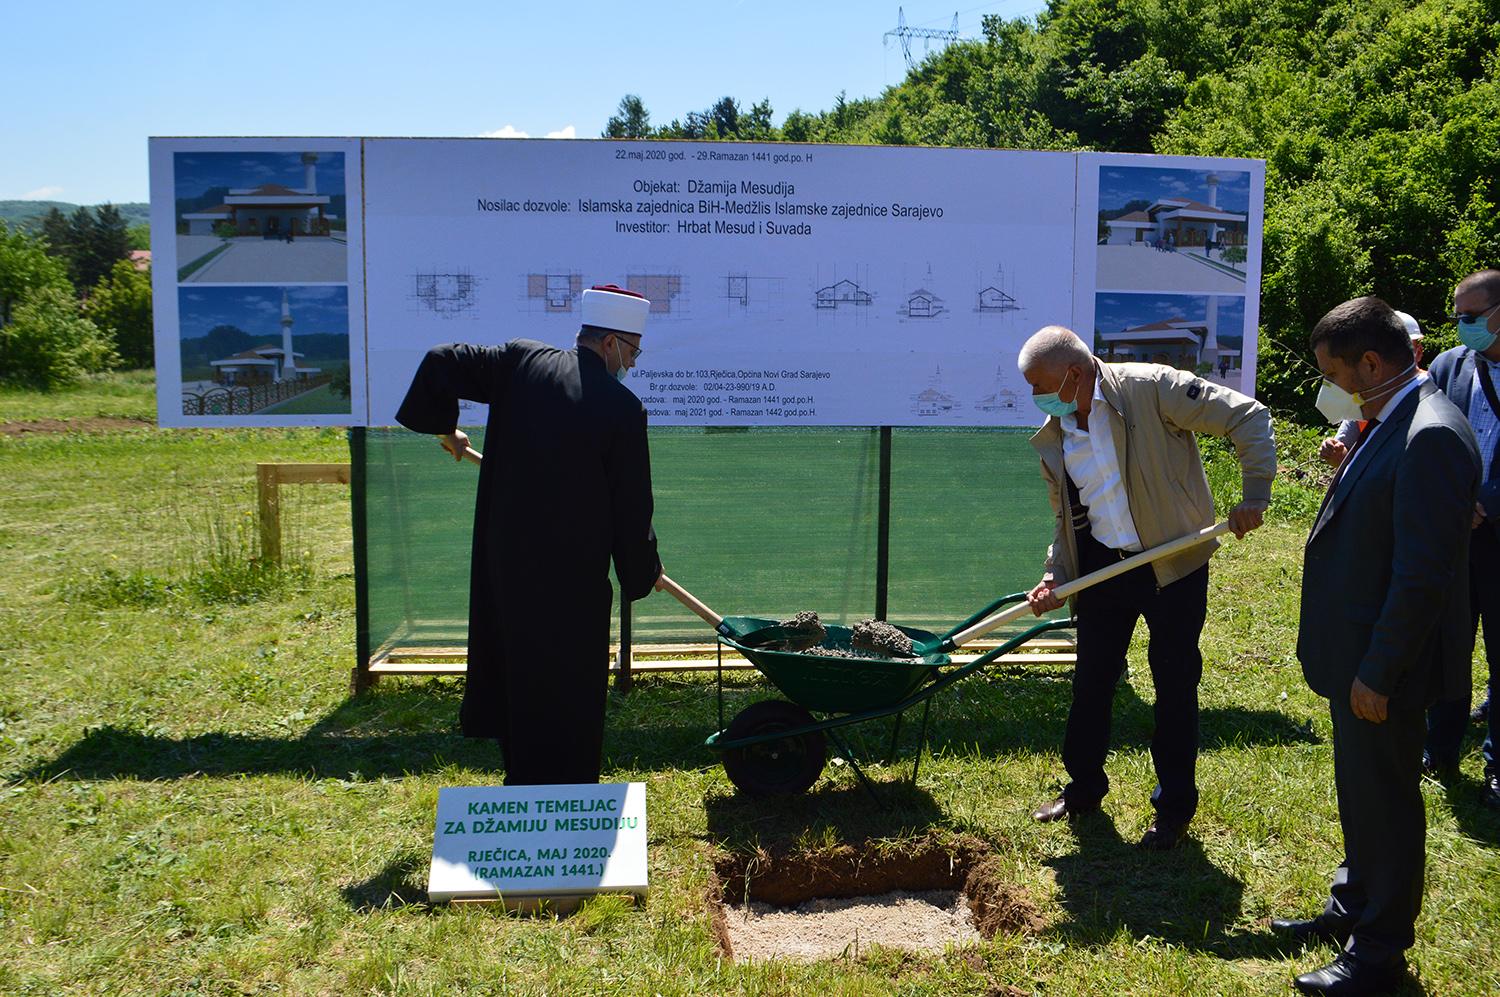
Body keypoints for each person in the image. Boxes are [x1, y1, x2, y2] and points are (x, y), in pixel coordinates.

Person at [1273, 297, 1478, 996]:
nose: (1336, 388)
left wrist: (1378, 672)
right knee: (1360, 792)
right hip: (1354, 655)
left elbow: (1422, 576)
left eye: (1340, 373)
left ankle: (1379, 949)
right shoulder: (1386, 420)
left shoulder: (1431, 435)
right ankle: (1353, 903)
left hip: (1384, 667)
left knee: (1387, 803)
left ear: (1372, 362)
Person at [395, 284, 665, 785]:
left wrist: (443, 426)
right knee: (566, 687)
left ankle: (521, 780)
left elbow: (439, 360)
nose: (630, 364)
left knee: (515, 668)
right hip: (570, 580)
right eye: (632, 352)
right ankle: (563, 799)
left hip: (509, 566)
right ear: (610, 344)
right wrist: (642, 570)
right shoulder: (623, 409)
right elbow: (631, 508)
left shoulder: (520, 362)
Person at [1018, 326, 1275, 849]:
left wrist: (1255, 493)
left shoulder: (1151, 388)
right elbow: (1067, 518)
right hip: (1102, 569)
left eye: (1041, 385)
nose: (1037, 399)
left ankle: (1174, 809)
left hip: (1171, 565)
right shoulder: (1057, 432)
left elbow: (1248, 416)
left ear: (1074, 373)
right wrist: (1057, 575)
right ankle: (1083, 787)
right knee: (1091, 682)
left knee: (1174, 684)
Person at [1420, 268, 1500, 807]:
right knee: (1447, 643)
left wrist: (1488, 504)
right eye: (1457, 316)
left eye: (1470, 317)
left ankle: (1496, 762)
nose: (1460, 325)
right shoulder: (1450, 365)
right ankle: (1440, 745)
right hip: (1453, 533)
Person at [1319, 310, 1426, 467]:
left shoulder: (1434, 390)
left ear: (1418, 353)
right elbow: (1344, 452)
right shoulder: (1365, 394)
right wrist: (1336, 454)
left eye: (1404, 349)